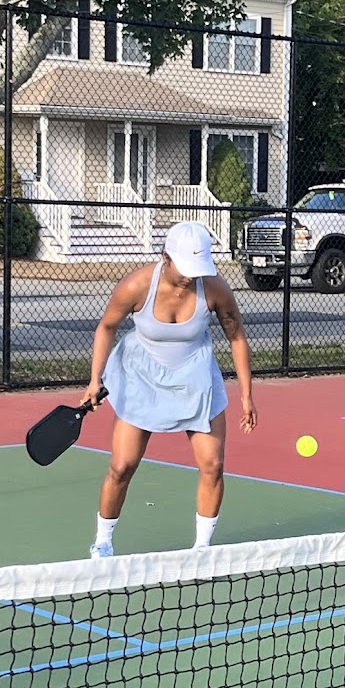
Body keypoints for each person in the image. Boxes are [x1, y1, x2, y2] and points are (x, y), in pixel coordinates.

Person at [81, 220, 257, 558]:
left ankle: (202, 550)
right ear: (165, 257)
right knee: (122, 466)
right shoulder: (136, 286)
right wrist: (95, 379)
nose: (192, 276)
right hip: (141, 378)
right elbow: (106, 327)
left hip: (196, 379)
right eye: (186, 267)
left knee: (213, 465)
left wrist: (247, 395)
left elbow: (236, 337)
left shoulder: (215, 288)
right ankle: (102, 542)